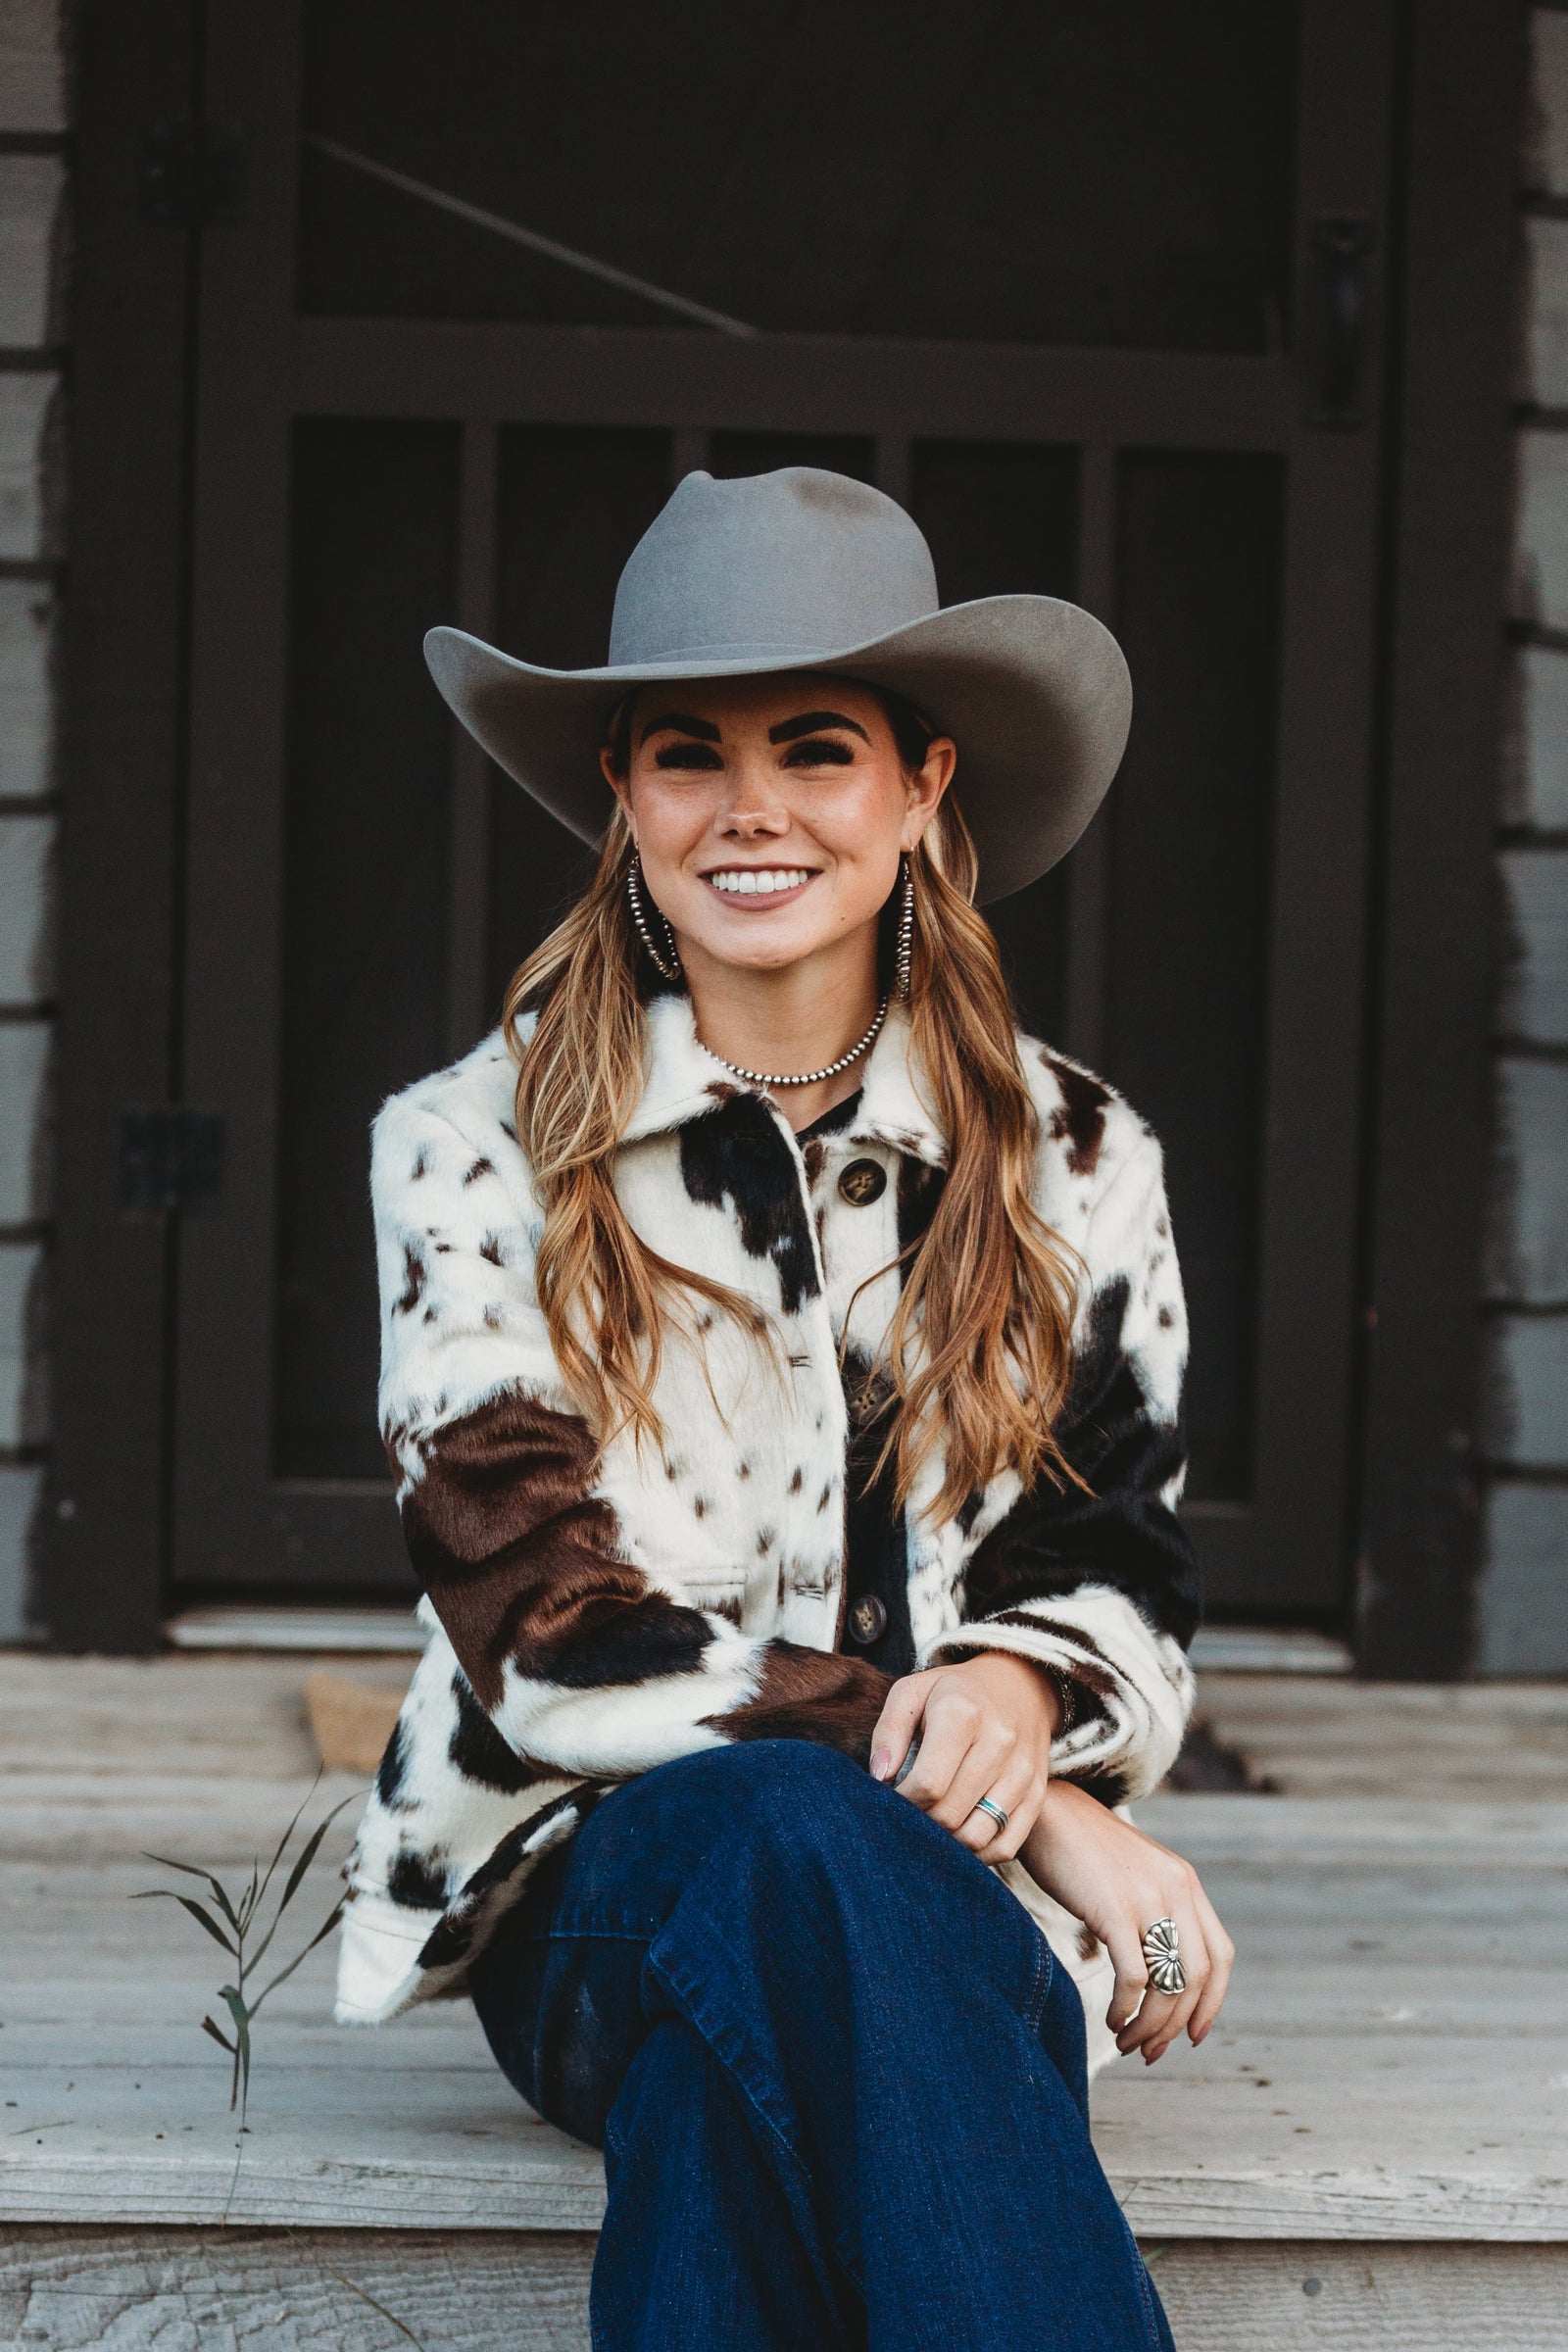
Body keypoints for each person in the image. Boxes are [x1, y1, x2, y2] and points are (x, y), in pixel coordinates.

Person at [336, 467, 1232, 2349]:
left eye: (815, 749)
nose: (749, 808)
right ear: (624, 798)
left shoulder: (1074, 1158)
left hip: (929, 1923)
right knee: (790, 1840)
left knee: (720, 2123)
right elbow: (549, 1634)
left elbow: (1118, 1563)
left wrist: (1023, 1688)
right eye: (689, 754)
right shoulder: (471, 1149)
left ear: (922, 792)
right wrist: (1048, 1812)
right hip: (599, 1883)